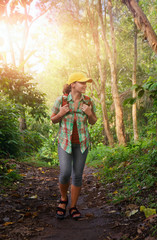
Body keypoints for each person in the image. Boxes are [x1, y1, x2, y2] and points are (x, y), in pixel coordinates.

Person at [51, 72, 97, 220]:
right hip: (65, 143)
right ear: (73, 85)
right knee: (65, 173)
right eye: (81, 83)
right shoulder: (61, 101)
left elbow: (93, 121)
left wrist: (90, 114)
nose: (84, 85)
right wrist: (60, 114)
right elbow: (53, 119)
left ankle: (73, 206)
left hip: (82, 144)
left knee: (77, 175)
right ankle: (63, 199)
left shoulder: (89, 101)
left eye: (85, 83)